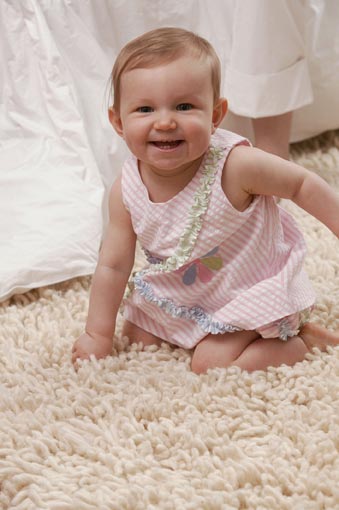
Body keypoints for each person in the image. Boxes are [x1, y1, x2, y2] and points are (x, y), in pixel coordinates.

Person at [72, 27, 339, 373]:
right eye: (144, 109)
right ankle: (212, 330)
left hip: (245, 287)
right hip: (188, 288)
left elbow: (301, 184)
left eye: (184, 106)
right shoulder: (126, 189)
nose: (165, 122)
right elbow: (113, 265)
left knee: (209, 363)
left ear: (214, 115)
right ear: (118, 122)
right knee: (138, 335)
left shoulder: (235, 166)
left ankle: (296, 343)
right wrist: (97, 333)